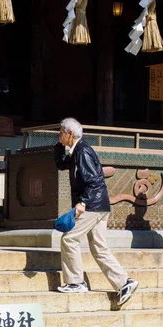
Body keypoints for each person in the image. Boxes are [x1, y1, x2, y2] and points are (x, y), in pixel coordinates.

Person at [54, 117, 139, 306]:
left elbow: (94, 181)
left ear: (70, 133)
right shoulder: (77, 150)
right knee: (99, 248)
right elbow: (61, 164)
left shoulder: (83, 151)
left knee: (69, 239)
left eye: (60, 132)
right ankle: (124, 282)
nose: (58, 135)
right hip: (100, 205)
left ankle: (75, 282)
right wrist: (60, 146)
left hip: (92, 205)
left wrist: (82, 202)